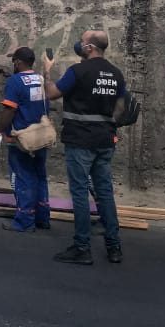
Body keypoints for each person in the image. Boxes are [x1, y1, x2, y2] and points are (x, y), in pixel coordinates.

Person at [41, 29, 126, 265]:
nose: (79, 43)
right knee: (105, 193)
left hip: (80, 141)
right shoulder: (116, 74)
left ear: (89, 47)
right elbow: (120, 109)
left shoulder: (77, 71)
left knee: (79, 193)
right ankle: (114, 247)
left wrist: (47, 71)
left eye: (82, 41)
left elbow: (51, 94)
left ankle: (82, 247)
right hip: (105, 140)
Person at [0, 46, 52, 233]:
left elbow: (9, 110)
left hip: (21, 139)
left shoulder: (15, 81)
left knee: (23, 177)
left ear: (18, 62)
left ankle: (25, 220)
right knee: (40, 176)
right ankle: (42, 217)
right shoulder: (41, 79)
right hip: (41, 136)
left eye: (14, 61)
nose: (13, 64)